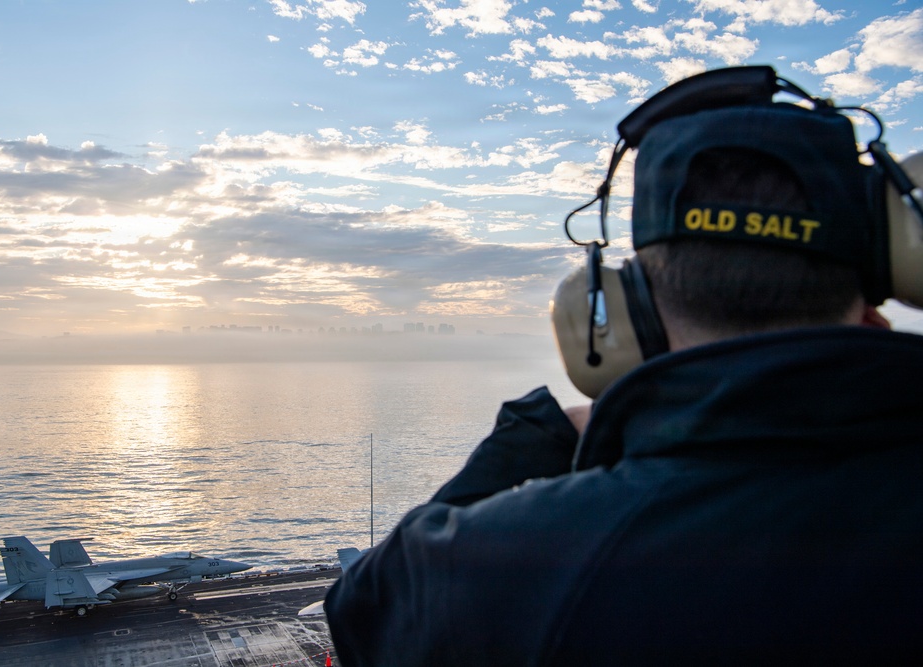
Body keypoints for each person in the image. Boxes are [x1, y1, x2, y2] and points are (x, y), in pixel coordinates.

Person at [323, 67, 923, 664]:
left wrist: (535, 433)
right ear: (887, 282)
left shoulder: (514, 564)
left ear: (621, 314)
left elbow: (365, 610)